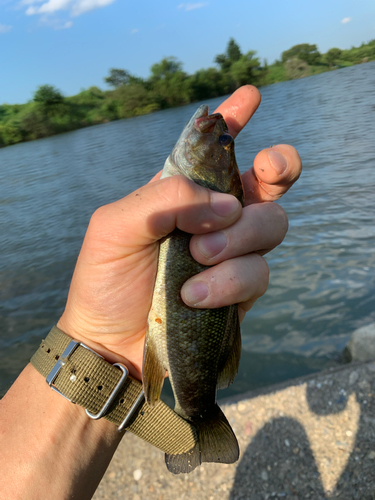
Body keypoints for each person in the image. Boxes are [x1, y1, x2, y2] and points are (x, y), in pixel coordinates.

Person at [0, 85, 302, 499]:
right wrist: (98, 343)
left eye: (224, 146)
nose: (218, 139)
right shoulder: (176, 200)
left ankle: (198, 412)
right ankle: (200, 413)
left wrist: (99, 352)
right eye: (225, 146)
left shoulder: (198, 198)